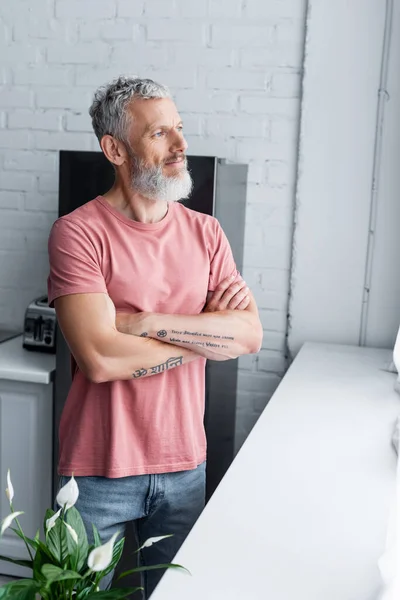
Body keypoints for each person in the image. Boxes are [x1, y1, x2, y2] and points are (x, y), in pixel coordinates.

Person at [47, 76, 263, 598]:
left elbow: (248, 335)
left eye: (180, 129)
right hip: (98, 471)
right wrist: (201, 337)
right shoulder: (78, 233)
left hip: (186, 467)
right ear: (115, 149)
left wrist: (142, 324)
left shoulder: (206, 233)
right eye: (160, 133)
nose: (181, 146)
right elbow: (99, 357)